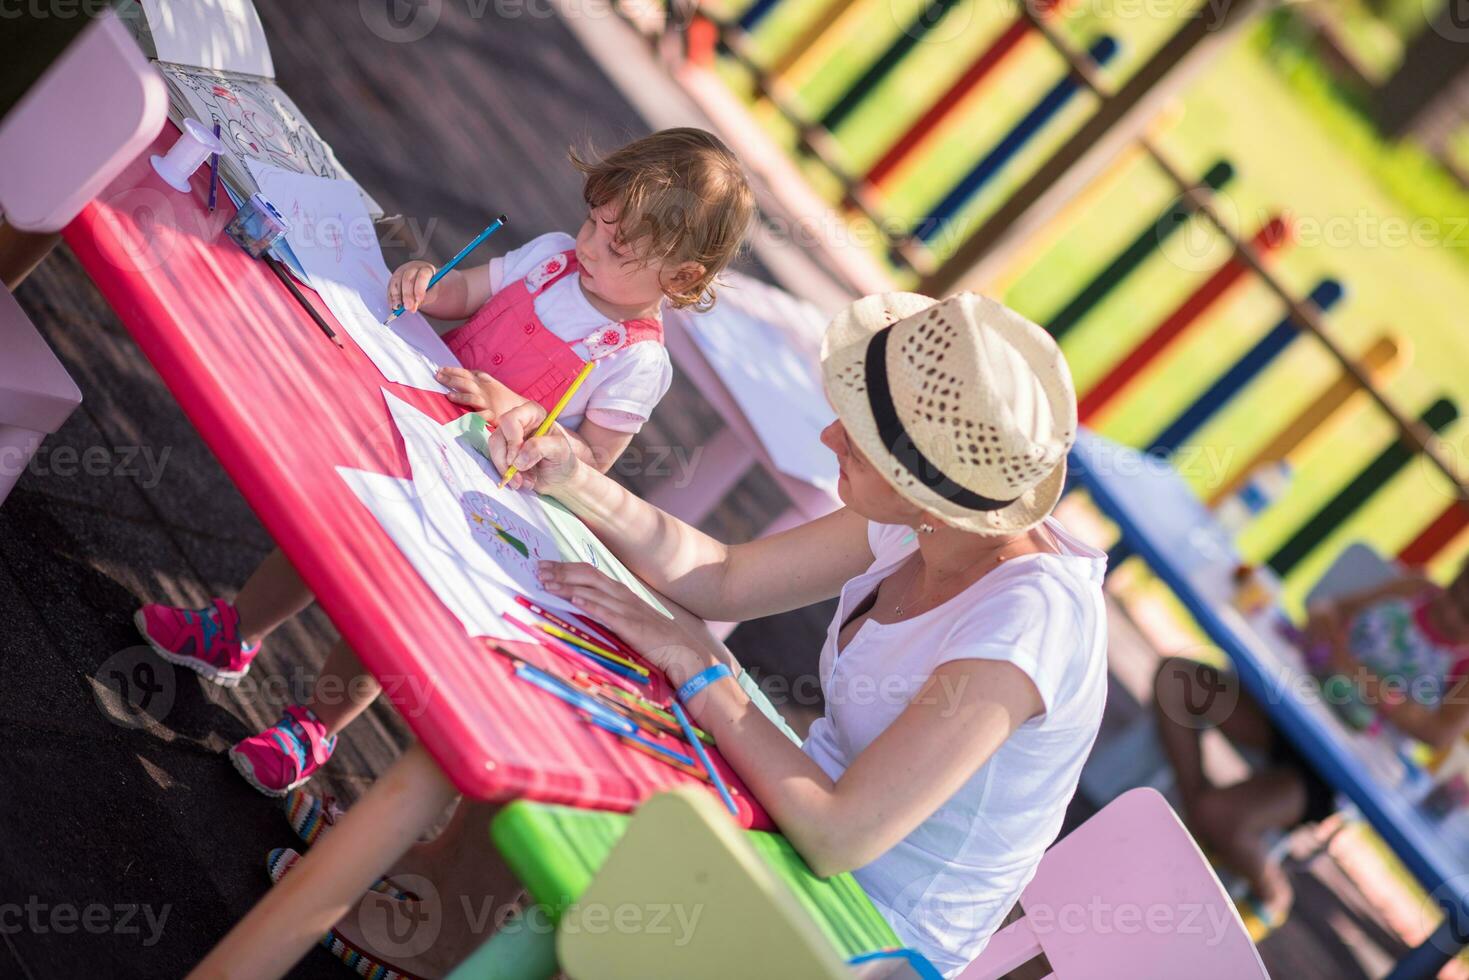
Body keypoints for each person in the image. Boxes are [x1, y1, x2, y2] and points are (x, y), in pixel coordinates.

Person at [273, 291, 1110, 979]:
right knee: (599, 675)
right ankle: (435, 883)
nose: (827, 437)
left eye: (855, 436)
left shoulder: (1027, 621)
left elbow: (839, 831)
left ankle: (444, 933)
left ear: (928, 490)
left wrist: (708, 671)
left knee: (635, 690)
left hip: (868, 941)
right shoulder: (930, 523)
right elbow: (723, 576)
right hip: (809, 836)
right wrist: (572, 476)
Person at [133, 127, 755, 796]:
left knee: (390, 597)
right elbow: (468, 293)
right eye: (593, 222)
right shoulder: (550, 257)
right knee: (324, 531)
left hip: (477, 485)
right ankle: (235, 631)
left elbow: (593, 461)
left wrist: (508, 404)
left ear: (682, 276)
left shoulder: (635, 359)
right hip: (410, 419)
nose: (587, 243)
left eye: (615, 245)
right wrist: (427, 286)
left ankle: (314, 726)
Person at [1153, 559, 1469, 938]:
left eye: (1466, 616)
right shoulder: (1414, 589)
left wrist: (1354, 671)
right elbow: (1330, 608)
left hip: (1336, 770)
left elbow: (1436, 733)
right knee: (1176, 679)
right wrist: (1323, 623)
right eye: (1453, 594)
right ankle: (1193, 824)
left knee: (1220, 816)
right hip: (1289, 711)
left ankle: (1271, 894)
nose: (1449, 613)